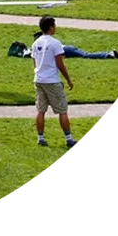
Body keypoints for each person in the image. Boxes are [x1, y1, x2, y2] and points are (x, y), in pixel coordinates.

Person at [32, 16, 78, 148]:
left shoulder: (36, 43)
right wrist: (68, 79)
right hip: (52, 80)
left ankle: (40, 138)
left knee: (41, 110)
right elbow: (60, 64)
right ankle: (69, 139)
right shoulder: (55, 43)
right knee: (62, 110)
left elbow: (34, 62)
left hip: (39, 79)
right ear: (51, 27)